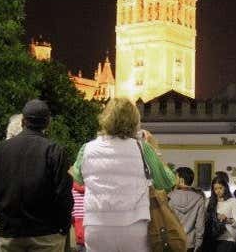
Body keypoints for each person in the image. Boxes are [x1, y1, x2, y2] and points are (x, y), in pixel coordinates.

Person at [71, 98, 175, 252]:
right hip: (133, 227)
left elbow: (77, 178)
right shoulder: (142, 148)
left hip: (96, 228)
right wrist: (156, 150)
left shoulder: (86, 149)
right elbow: (166, 182)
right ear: (135, 121)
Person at [0, 99, 72, 252]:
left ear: (23, 121)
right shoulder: (55, 151)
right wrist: (63, 227)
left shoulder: (1, 150)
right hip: (46, 234)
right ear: (48, 123)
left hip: (11, 234)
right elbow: (63, 194)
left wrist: (3, 210)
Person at [168, 167, 205, 252]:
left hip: (174, 241)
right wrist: (198, 243)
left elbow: (167, 221)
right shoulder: (199, 198)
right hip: (190, 243)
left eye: (176, 177)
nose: (174, 180)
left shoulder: (169, 197)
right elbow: (200, 225)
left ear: (181, 180)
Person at [203, 175, 236, 252]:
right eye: (215, 189)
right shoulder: (209, 201)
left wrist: (226, 219)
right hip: (211, 238)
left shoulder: (233, 201)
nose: (218, 191)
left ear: (225, 187)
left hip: (227, 239)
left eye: (220, 188)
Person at [71, 181, 86, 252]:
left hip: (77, 220)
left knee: (80, 246)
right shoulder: (91, 187)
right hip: (90, 219)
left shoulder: (71, 185)